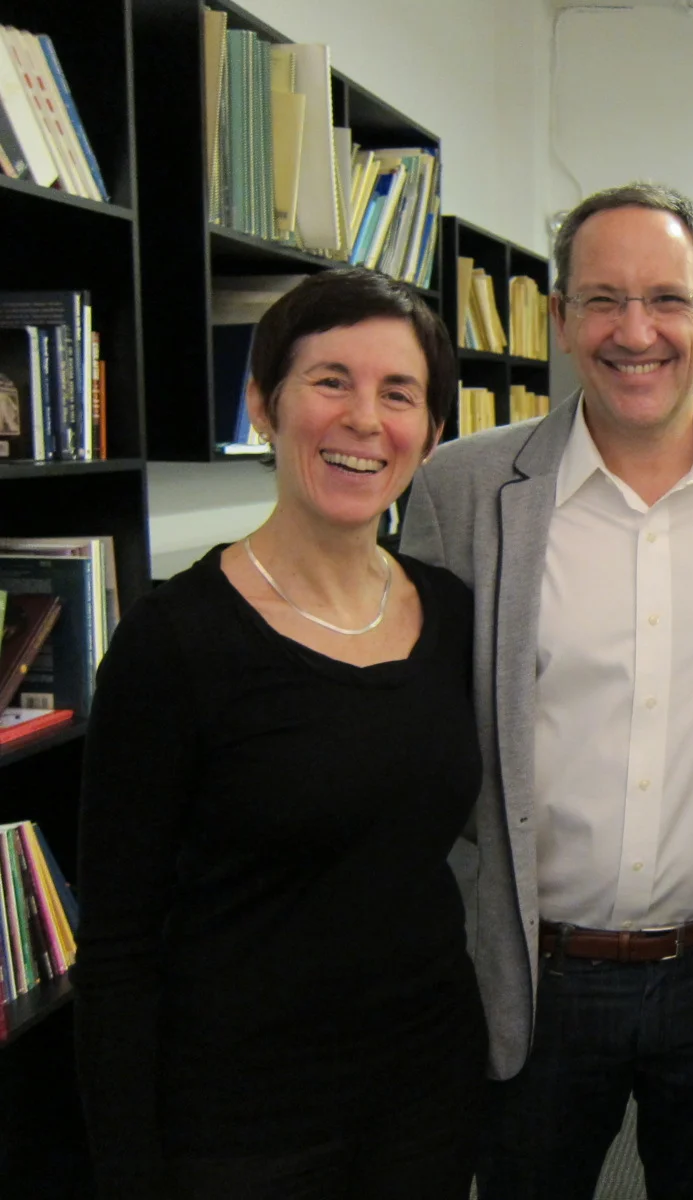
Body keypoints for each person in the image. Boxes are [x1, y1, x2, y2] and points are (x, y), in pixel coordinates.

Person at [399, 182, 693, 1200]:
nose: (634, 332)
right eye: (600, 299)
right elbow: (419, 737)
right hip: (533, 979)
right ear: (557, 319)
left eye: (666, 300)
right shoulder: (461, 491)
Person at [73, 268, 485, 1197]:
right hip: (242, 1124)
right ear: (263, 404)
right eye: (330, 380)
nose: (364, 420)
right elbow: (120, 945)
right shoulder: (173, 641)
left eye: (399, 393)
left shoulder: (454, 613)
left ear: (430, 430)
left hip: (427, 1093)